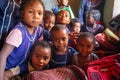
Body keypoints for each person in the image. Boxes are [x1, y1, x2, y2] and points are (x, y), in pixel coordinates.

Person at [0, 0, 46, 80]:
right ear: (22, 13)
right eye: (31, 12)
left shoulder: (38, 29)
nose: (36, 16)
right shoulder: (18, 32)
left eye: (39, 13)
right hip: (7, 67)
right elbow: (3, 55)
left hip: (21, 66)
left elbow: (48, 34)